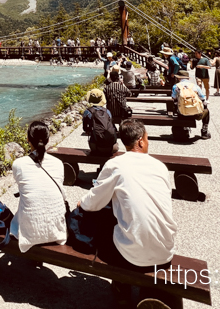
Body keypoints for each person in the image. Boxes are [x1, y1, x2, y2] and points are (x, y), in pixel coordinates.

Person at [78, 120, 177, 303]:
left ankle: (121, 286)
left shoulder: (115, 165)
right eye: (147, 139)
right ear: (140, 141)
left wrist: (81, 203)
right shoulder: (160, 167)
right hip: (165, 251)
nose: (148, 143)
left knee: (106, 220)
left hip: (131, 256)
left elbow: (93, 203)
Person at [10, 121, 67, 252]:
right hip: (57, 232)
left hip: (29, 233)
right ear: (48, 140)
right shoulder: (58, 163)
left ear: (28, 139)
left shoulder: (19, 164)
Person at [172, 70, 211, 139]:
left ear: (179, 78)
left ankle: (185, 129)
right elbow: (203, 99)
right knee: (206, 111)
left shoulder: (176, 87)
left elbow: (173, 98)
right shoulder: (195, 86)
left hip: (182, 114)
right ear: (187, 78)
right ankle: (204, 131)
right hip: (196, 114)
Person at [82, 89, 119, 154]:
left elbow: (85, 128)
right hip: (112, 147)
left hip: (95, 147)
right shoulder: (107, 111)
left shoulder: (87, 112)